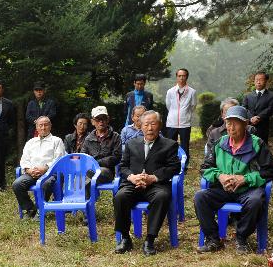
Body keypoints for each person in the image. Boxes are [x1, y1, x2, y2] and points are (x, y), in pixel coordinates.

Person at [195, 105, 273, 254]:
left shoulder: (256, 144)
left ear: (245, 124)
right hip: (223, 189)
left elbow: (271, 171)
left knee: (255, 201)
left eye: (236, 122)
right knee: (200, 197)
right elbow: (204, 168)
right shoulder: (220, 144)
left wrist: (245, 179)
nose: (231, 127)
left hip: (247, 190)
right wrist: (220, 176)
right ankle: (214, 239)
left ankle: (241, 238)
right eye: (228, 122)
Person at [113, 111, 181, 255]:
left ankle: (150, 240)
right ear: (140, 126)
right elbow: (123, 166)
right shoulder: (131, 144)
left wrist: (153, 177)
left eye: (153, 124)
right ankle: (125, 238)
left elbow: (175, 167)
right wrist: (132, 177)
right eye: (146, 124)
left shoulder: (170, 145)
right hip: (134, 184)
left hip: (156, 185)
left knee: (162, 196)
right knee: (120, 196)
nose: (150, 128)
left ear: (160, 126)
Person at [12, 116, 66, 218]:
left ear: (50, 126)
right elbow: (24, 160)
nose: (43, 128)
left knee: (45, 184)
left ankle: (39, 210)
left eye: (46, 125)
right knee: (17, 184)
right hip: (32, 173)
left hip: (50, 173)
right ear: (36, 127)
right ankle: (30, 209)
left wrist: (45, 168)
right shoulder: (31, 142)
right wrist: (28, 170)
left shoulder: (57, 141)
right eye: (40, 125)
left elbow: (59, 159)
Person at [80, 105, 121, 187]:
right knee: (87, 177)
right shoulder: (88, 139)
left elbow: (116, 157)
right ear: (92, 121)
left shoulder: (115, 136)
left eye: (104, 118)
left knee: (94, 173)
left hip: (107, 171)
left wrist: (96, 162)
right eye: (98, 119)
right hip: (89, 169)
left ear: (108, 119)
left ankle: (83, 195)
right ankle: (86, 196)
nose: (101, 121)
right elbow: (83, 157)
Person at [165, 68, 197, 164]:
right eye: (179, 76)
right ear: (176, 77)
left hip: (185, 123)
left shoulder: (192, 92)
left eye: (183, 76)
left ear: (186, 77)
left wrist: (185, 114)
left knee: (185, 145)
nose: (181, 78)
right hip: (171, 122)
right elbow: (168, 105)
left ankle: (185, 165)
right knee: (170, 144)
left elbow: (193, 106)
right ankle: (171, 162)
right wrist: (174, 114)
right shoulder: (170, 91)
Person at [203, 98, 241, 165]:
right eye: (227, 111)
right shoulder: (214, 133)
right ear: (222, 114)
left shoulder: (249, 130)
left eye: (233, 111)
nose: (230, 114)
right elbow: (209, 159)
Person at [243, 71, 273, 143]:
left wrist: (258, 117)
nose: (258, 82)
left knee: (262, 147)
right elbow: (244, 108)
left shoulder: (272, 95)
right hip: (249, 125)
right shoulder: (248, 96)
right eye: (256, 80)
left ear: (266, 81)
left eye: (261, 80)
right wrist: (251, 118)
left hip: (263, 126)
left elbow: (271, 109)